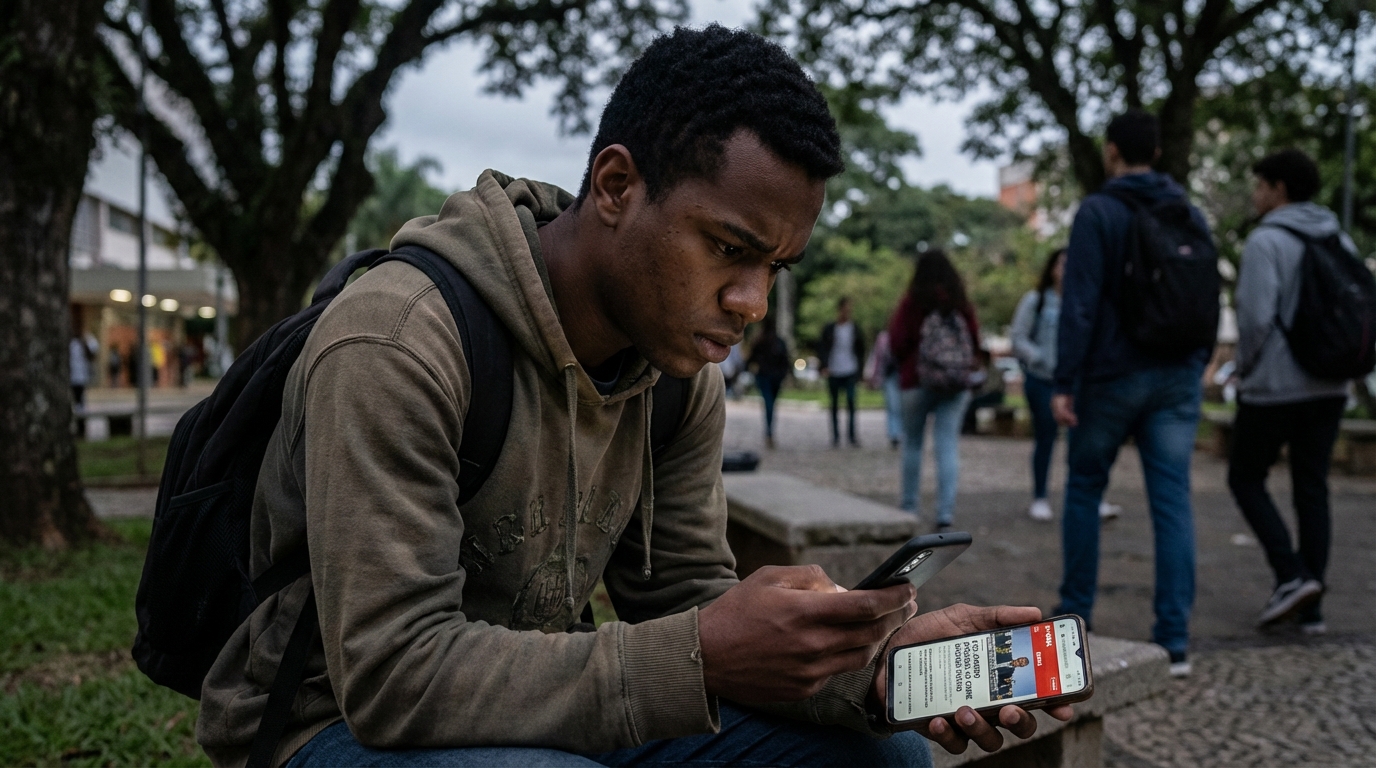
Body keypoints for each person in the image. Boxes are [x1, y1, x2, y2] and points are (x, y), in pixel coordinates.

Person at [197, 26, 1068, 768]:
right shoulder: (399, 340)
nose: (752, 302)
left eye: (775, 267)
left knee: (879, 751)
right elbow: (392, 676)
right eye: (729, 247)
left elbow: (685, 596)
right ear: (615, 187)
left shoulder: (677, 374)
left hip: (540, 699)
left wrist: (863, 665)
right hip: (328, 723)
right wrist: (699, 655)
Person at [1051, 110, 1213, 678]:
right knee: (1172, 501)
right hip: (1175, 376)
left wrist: (1063, 379)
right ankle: (1174, 641)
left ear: (1112, 151)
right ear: (1160, 152)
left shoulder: (1099, 211)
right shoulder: (1186, 210)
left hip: (1110, 375)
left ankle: (1074, 620)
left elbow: (1080, 303)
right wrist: (1194, 365)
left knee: (1084, 489)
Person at [1228, 149, 1355, 635]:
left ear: (1278, 189)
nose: (1255, 195)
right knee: (1311, 487)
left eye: (1260, 186)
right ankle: (1312, 607)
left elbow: (1257, 318)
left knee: (1245, 477)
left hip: (1276, 386)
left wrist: (1243, 369)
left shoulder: (1268, 240)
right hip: (1330, 383)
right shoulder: (1334, 234)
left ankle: (1292, 574)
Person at [1010, 250, 1122, 523]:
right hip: (1043, 380)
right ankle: (1040, 497)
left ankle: (1089, 497)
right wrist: (1039, 358)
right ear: (1051, 268)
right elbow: (1018, 337)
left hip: (1078, 382)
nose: (1067, 268)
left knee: (1084, 442)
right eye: (1062, 263)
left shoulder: (1086, 299)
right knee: (1045, 439)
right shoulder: (1035, 301)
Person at [889, 250, 980, 530]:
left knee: (913, 445)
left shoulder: (913, 302)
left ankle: (909, 508)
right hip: (955, 384)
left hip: (916, 381)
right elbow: (975, 342)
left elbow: (897, 341)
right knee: (947, 445)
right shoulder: (960, 303)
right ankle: (945, 514)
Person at [818, 297, 864, 447]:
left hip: (850, 369)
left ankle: (851, 435)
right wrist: (824, 365)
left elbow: (860, 349)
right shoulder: (830, 328)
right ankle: (835, 436)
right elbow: (822, 347)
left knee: (851, 402)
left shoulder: (854, 328)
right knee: (834, 404)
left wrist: (860, 371)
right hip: (834, 370)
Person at [748, 317, 791, 449]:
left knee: (770, 404)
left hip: (772, 376)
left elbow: (785, 360)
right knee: (769, 403)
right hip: (766, 376)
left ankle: (769, 431)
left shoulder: (771, 342)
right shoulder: (766, 342)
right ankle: (769, 432)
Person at [865, 328, 902, 449]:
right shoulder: (883, 338)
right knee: (892, 405)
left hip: (902, 375)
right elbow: (877, 358)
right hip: (889, 375)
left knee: (901, 405)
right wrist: (874, 376)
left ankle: (899, 432)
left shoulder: (904, 334)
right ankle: (894, 434)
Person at [960, 348, 1005, 435]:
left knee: (973, 402)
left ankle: (969, 427)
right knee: (970, 401)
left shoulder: (992, 369)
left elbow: (993, 387)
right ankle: (968, 427)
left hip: (995, 395)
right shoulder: (985, 368)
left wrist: (980, 391)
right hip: (990, 394)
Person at [69, 332, 94, 409]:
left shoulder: (81, 345)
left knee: (79, 391)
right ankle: (79, 405)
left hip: (79, 372)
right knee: (78, 391)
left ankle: (80, 406)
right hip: (77, 373)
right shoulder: (77, 345)